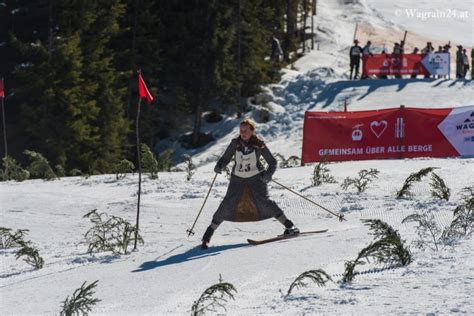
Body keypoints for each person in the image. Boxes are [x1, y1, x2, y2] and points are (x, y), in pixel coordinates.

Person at [201, 119, 299, 249]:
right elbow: (225, 158)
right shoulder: (235, 143)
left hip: (256, 179)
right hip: (237, 179)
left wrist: (268, 174)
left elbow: (272, 162)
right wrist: (220, 166)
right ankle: (208, 234)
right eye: (241, 130)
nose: (242, 133)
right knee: (227, 203)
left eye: (245, 130)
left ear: (252, 131)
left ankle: (289, 225)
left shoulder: (259, 145)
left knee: (264, 202)